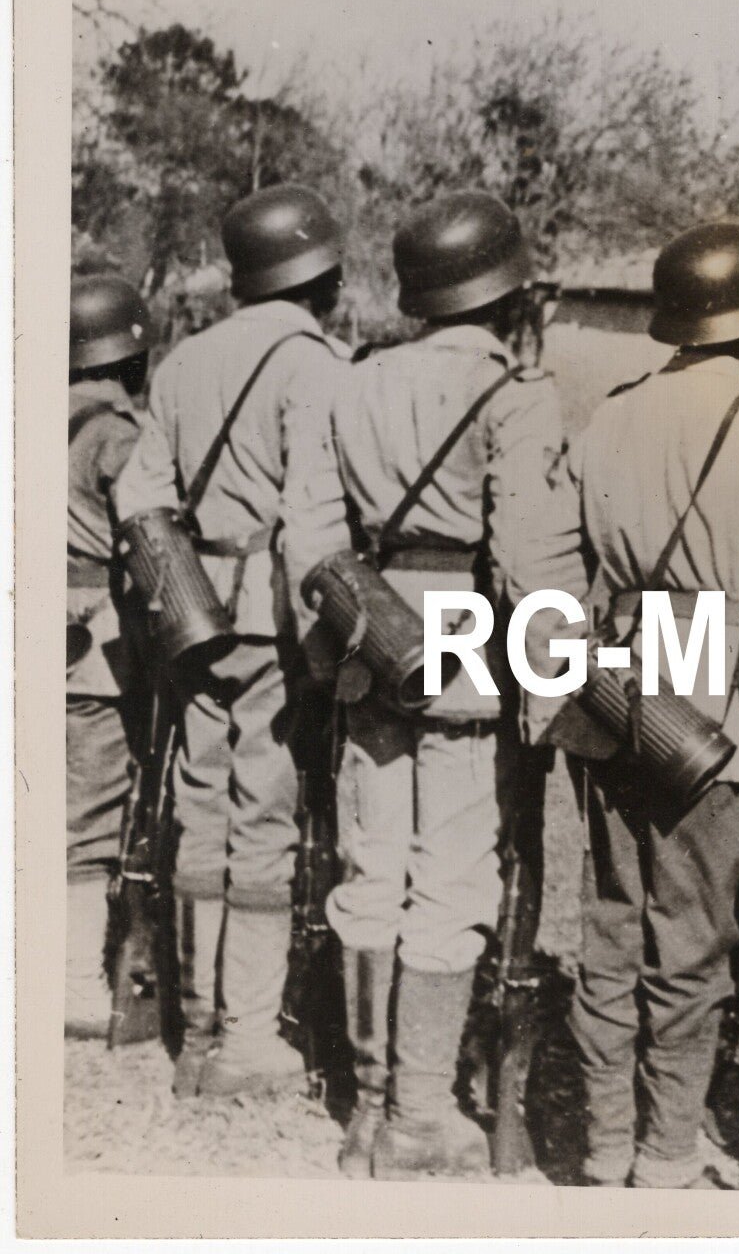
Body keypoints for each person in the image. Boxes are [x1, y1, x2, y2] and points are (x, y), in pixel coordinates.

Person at [281, 191, 588, 1179]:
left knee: (372, 866)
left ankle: (365, 1108)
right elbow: (535, 563)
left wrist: (334, 657)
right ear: (504, 290)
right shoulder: (516, 393)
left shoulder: (356, 382)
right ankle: (418, 1112)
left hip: (373, 623)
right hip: (462, 622)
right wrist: (549, 695)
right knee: (451, 876)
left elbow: (315, 543)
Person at [562, 221, 739, 1190]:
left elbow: (580, 566)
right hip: (707, 699)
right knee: (692, 936)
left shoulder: (608, 415)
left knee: (607, 921)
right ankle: (666, 1150)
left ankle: (599, 1140)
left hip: (610, 687)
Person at [112, 184, 350, 1096]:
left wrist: (181, 596)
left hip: (193, 615)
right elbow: (311, 523)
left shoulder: (182, 362)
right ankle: (248, 1037)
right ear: (319, 272)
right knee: (264, 816)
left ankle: (198, 1028)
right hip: (271, 622)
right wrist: (319, 646)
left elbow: (139, 496)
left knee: (198, 804)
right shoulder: (317, 366)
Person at [66, 273, 155, 1037]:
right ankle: (70, 984)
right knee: (90, 813)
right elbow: (150, 534)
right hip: (91, 643)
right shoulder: (118, 434)